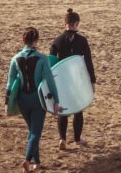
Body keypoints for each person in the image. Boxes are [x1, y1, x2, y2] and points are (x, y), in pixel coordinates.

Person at [5, 27, 59, 173]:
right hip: (37, 100)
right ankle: (28, 160)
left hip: (22, 100)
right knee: (36, 132)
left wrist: (8, 102)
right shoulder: (42, 58)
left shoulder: (15, 58)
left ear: (24, 40)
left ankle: (37, 162)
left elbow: (10, 83)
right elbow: (50, 81)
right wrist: (56, 100)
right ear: (36, 40)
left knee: (32, 130)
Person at [50, 9, 96, 150]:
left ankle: (62, 139)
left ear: (65, 23)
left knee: (63, 109)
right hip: (77, 79)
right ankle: (77, 139)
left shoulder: (57, 40)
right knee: (78, 108)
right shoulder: (82, 41)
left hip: (62, 80)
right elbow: (88, 62)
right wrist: (92, 81)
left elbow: (51, 62)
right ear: (76, 23)